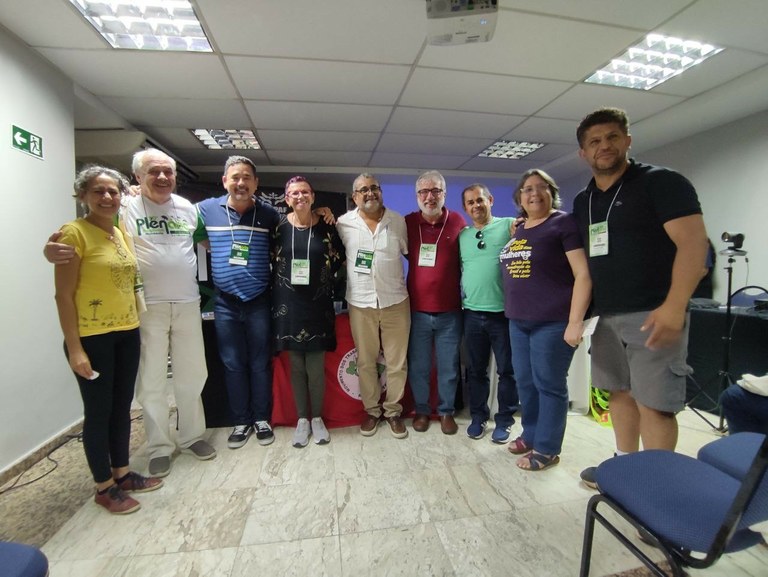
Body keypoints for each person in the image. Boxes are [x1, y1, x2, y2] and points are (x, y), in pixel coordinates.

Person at [45, 149, 216, 478]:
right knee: (151, 380)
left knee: (193, 373)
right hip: (144, 307)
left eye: (168, 171)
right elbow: (86, 233)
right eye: (154, 171)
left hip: (187, 302)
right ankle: (160, 446)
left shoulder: (188, 209)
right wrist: (49, 249)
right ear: (137, 177)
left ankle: (193, 435)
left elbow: (206, 243)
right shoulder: (123, 207)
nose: (163, 177)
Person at [572, 107, 709, 487]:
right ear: (583, 153)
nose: (604, 146)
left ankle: (657, 492)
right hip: (605, 316)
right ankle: (623, 468)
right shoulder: (584, 201)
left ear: (628, 140)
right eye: (594, 141)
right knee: (618, 392)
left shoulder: (661, 182)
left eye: (613, 137)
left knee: (656, 404)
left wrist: (674, 305)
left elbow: (695, 245)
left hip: (653, 313)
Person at [54, 165, 162, 514]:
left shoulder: (120, 234)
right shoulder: (73, 234)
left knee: (121, 408)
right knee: (98, 412)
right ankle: (103, 486)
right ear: (82, 196)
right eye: (98, 191)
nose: (107, 197)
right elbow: (64, 296)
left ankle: (123, 473)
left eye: (113, 191)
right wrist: (74, 348)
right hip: (92, 337)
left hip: (126, 331)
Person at [499, 170, 591, 471]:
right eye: (526, 189)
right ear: (519, 197)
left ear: (552, 192)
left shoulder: (562, 223)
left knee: (549, 384)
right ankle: (532, 433)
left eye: (541, 188)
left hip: (552, 321)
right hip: (518, 320)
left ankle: (548, 448)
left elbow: (582, 274)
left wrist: (575, 322)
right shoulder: (521, 228)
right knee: (526, 383)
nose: (533, 193)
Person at [194, 156, 280, 449]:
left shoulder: (268, 214)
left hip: (258, 301)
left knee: (259, 362)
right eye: (235, 177)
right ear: (224, 181)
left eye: (246, 178)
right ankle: (241, 421)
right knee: (232, 364)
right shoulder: (206, 209)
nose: (240, 183)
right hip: (226, 303)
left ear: (256, 183)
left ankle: (261, 418)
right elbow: (175, 215)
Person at [336, 173, 410, 438]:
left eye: (374, 188)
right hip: (360, 302)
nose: (370, 193)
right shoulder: (343, 223)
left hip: (396, 301)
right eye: (363, 189)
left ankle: (392, 412)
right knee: (366, 362)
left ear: (381, 192)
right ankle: (372, 411)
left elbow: (412, 254)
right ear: (355, 196)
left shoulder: (398, 221)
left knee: (396, 362)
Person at [272, 176, 345, 447]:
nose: (300, 197)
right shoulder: (277, 227)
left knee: (315, 367)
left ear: (313, 197)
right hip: (287, 305)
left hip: (317, 305)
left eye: (305, 192)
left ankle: (317, 419)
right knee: (296, 367)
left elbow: (339, 259)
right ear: (287, 198)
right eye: (294, 193)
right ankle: (302, 420)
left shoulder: (327, 227)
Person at [405, 171, 466, 435]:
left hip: (450, 312)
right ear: (417, 195)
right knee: (418, 366)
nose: (430, 197)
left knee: (448, 366)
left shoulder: (458, 221)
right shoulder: (406, 223)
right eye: (424, 192)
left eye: (436, 191)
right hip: (416, 311)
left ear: (444, 193)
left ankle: (446, 412)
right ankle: (421, 410)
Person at [459, 184, 519, 442]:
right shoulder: (463, 235)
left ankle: (504, 420)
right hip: (471, 314)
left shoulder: (509, 226)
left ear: (491, 200)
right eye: (470, 202)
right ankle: (478, 416)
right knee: (475, 371)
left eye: (480, 200)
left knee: (507, 371)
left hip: (503, 315)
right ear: (465, 208)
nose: (476, 206)